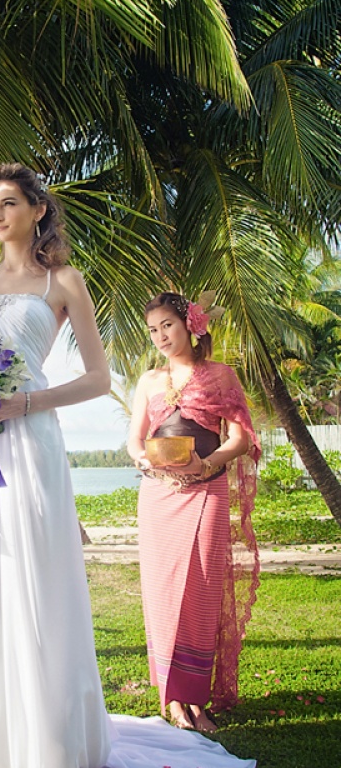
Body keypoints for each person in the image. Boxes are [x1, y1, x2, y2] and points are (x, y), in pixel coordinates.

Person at [0, 164, 256, 768]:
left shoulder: (63, 281)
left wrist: (26, 403)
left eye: (10, 203)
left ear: (38, 210)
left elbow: (96, 378)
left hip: (30, 436)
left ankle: (47, 736)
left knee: (34, 570)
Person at [127, 292, 260, 734]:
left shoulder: (221, 375)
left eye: (167, 325)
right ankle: (172, 699)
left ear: (190, 325)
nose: (160, 336)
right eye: (153, 330)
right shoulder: (149, 381)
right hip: (158, 496)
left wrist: (206, 465)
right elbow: (135, 440)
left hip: (206, 490)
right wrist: (145, 461)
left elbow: (240, 439)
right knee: (163, 594)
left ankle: (195, 700)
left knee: (201, 592)